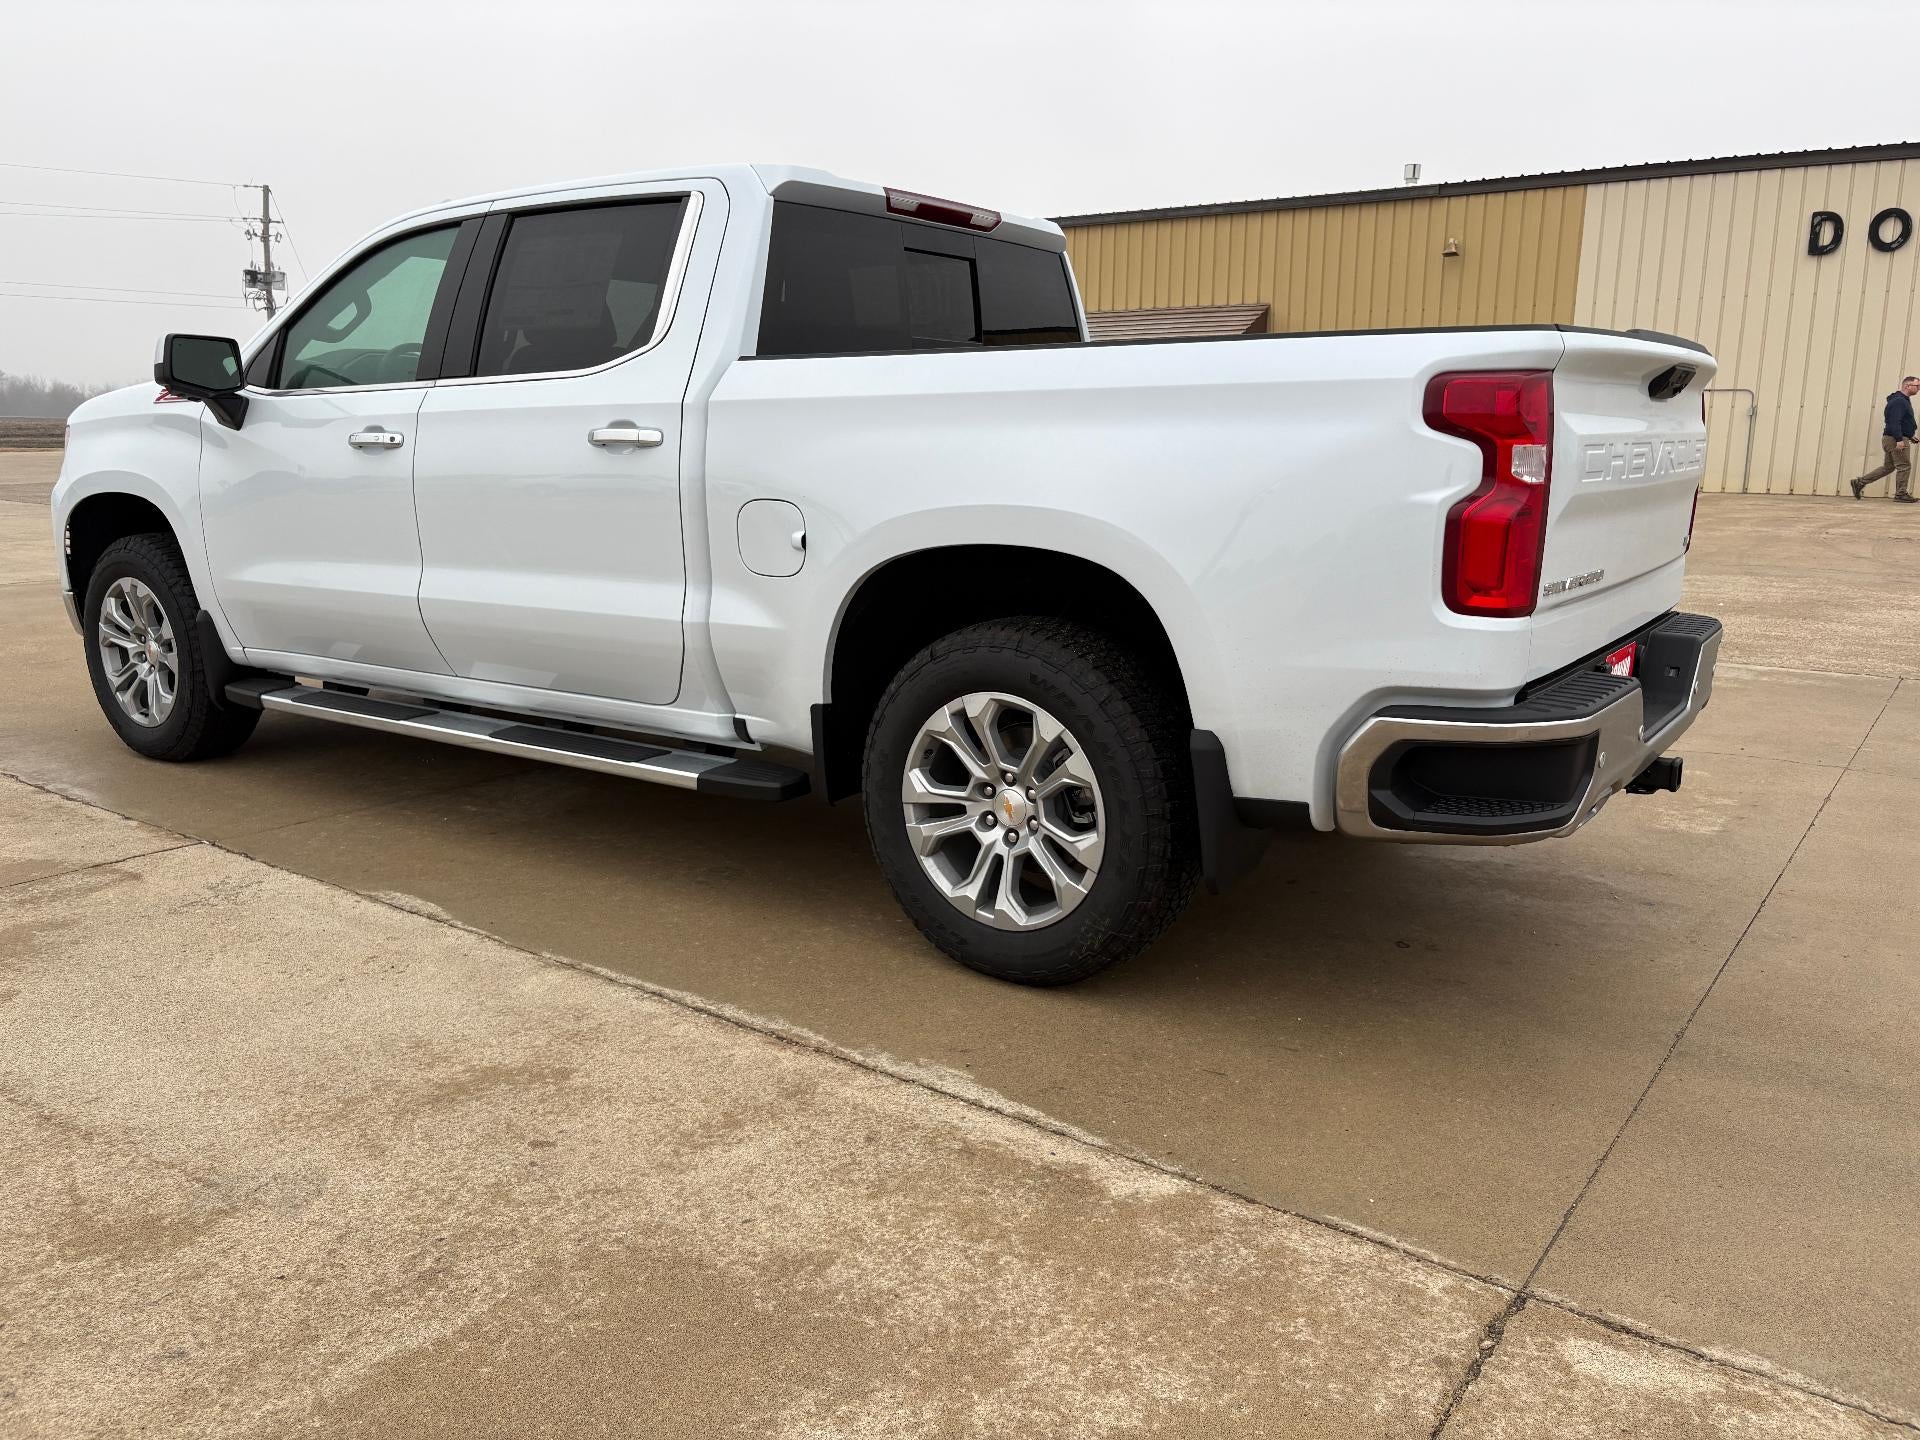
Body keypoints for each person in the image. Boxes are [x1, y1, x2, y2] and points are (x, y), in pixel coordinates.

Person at [1851, 376, 1920, 502]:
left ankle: (1859, 482)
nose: (1919, 389)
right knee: (1904, 466)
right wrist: (1899, 439)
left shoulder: (1902, 400)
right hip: (1895, 439)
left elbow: (1902, 421)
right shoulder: (1899, 401)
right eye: (1917, 386)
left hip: (1892, 438)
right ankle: (1901, 494)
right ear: (1907, 386)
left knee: (1888, 467)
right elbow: (1894, 421)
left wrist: (1910, 435)